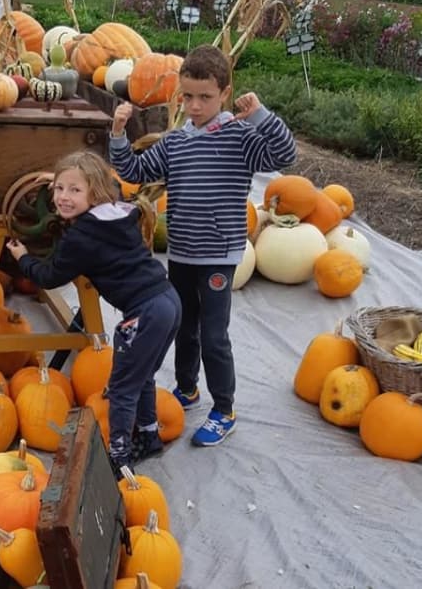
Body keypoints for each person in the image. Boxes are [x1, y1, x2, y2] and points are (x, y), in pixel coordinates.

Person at [109, 44, 297, 447]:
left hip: (218, 254)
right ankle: (187, 388)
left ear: (225, 94)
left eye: (205, 97)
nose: (194, 106)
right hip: (182, 252)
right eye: (188, 96)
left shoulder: (240, 137)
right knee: (184, 326)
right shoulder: (176, 142)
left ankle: (224, 409)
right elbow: (134, 171)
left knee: (213, 335)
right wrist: (119, 135)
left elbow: (285, 154)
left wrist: (260, 115)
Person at [6, 151, 181, 477]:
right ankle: (149, 435)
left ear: (94, 192)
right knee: (142, 375)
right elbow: (110, 186)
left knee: (122, 388)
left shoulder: (81, 236)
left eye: (74, 190)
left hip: (144, 315)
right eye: (60, 189)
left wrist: (23, 258)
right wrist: (66, 181)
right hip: (168, 300)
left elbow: (49, 276)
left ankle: (119, 458)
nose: (63, 197)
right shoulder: (117, 212)